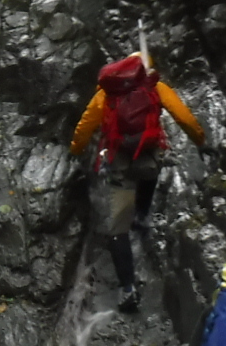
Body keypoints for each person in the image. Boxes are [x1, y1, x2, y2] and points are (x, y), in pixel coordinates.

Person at [69, 52, 205, 312]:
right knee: (150, 175)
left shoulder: (105, 95)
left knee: (118, 228)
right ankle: (142, 215)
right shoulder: (156, 89)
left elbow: (84, 126)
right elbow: (183, 117)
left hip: (121, 164)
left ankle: (128, 288)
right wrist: (200, 140)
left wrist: (76, 149)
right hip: (149, 160)